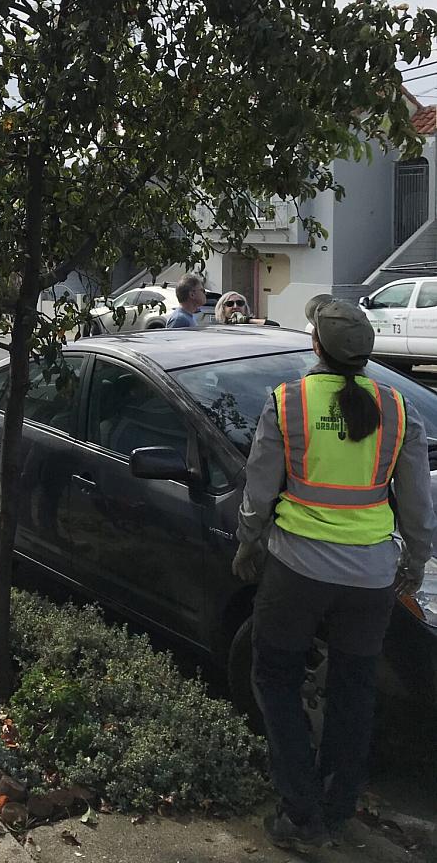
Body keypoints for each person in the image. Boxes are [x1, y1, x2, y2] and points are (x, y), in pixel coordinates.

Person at [232, 295, 436, 852]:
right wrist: (414, 564)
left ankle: (300, 813)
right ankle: (337, 805)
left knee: (275, 677)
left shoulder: (288, 402)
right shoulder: (399, 408)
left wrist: (248, 543)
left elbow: (258, 491)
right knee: (353, 689)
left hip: (297, 569)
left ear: (316, 345)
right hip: (371, 577)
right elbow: (418, 508)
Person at [213, 291, 279, 326]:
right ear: (222, 309)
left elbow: (275, 325)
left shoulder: (252, 325)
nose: (235, 307)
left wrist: (247, 321)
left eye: (240, 303)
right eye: (230, 304)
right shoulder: (218, 328)